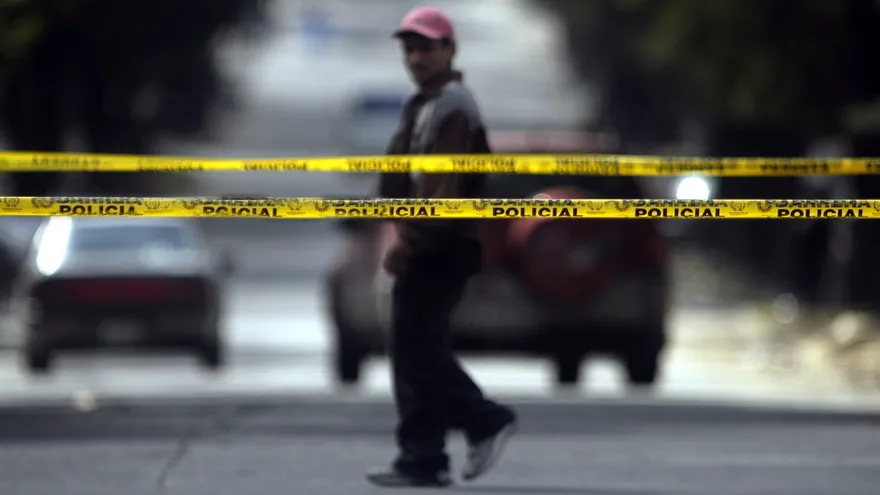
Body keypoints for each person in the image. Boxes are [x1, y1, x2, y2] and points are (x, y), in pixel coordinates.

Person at [366, 6, 517, 488]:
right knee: (415, 348)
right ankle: (422, 457)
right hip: (431, 239)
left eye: (427, 47)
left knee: (416, 350)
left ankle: (482, 418)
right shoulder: (426, 104)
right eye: (409, 48)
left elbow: (442, 190)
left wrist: (408, 243)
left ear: (450, 50)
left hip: (441, 242)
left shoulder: (452, 105)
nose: (416, 56)